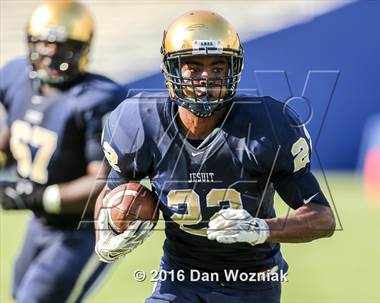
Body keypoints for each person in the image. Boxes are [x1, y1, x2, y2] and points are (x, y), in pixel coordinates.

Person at [95, 10, 335, 303]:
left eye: (217, 67)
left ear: (233, 70)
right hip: (179, 276)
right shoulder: (140, 122)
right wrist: (104, 235)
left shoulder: (267, 126)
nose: (206, 78)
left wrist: (260, 229)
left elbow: (322, 218)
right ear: (171, 71)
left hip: (251, 279)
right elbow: (112, 193)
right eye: (193, 68)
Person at [0, 1, 124, 302]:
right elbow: (17, 132)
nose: (52, 55)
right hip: (41, 223)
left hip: (83, 230)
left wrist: (36, 195)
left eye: (63, 46)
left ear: (83, 48)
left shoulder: (97, 99)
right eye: (44, 44)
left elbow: (102, 183)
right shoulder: (17, 77)